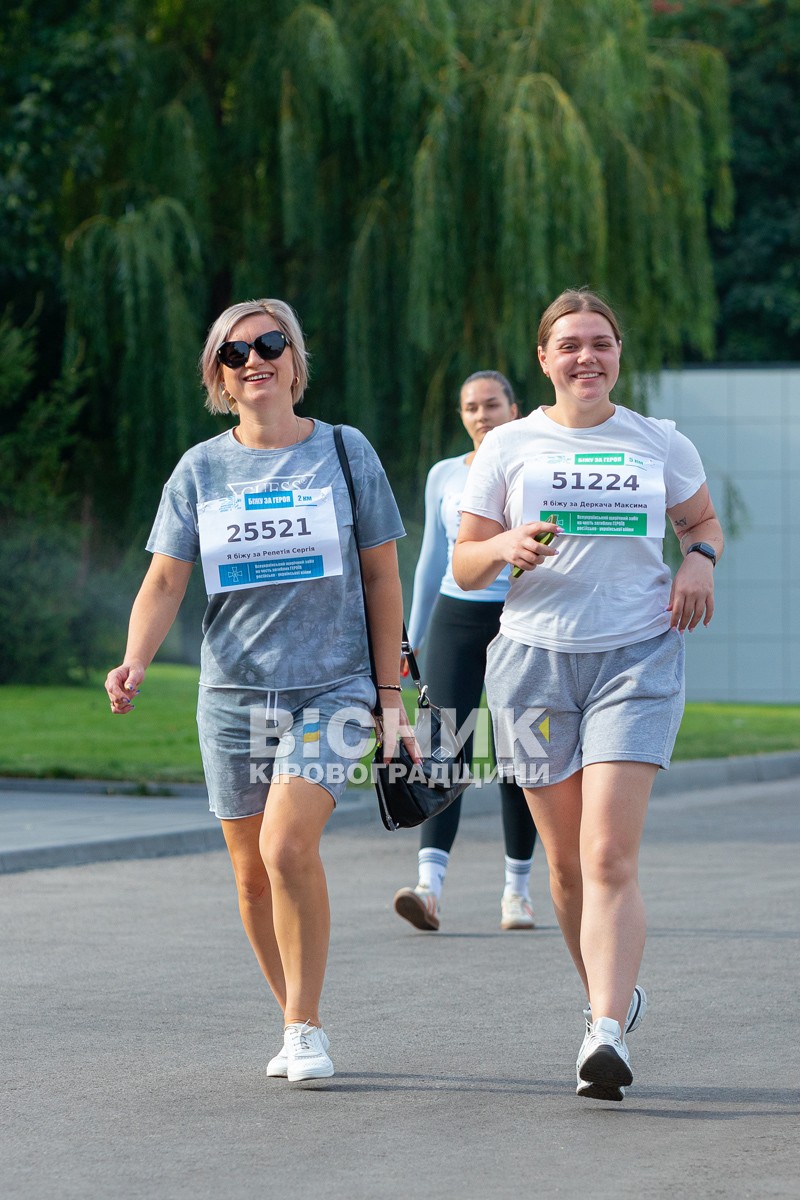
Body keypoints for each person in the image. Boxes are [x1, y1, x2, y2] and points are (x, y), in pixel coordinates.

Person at [105, 298, 416, 1083]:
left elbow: (382, 577)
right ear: (219, 373)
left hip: (334, 688)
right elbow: (166, 579)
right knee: (249, 872)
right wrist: (135, 659)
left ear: (294, 359)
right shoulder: (200, 470)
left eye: (271, 344)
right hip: (233, 694)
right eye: (236, 352)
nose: (256, 360)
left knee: (286, 846)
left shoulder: (345, 452)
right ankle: (295, 1018)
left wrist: (388, 695)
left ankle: (305, 1029)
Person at [453, 288, 723, 1101]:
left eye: (600, 343)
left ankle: (605, 1031)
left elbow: (701, 521)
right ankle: (608, 995)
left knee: (608, 855)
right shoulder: (508, 444)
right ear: (544, 357)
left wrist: (700, 560)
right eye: (569, 345)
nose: (586, 358)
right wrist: (503, 542)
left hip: (635, 659)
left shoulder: (658, 441)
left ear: (617, 353)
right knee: (566, 868)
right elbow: (464, 566)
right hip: (533, 666)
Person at [392, 371, 539, 934]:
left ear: (514, 409)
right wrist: (413, 637)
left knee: (518, 754)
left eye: (493, 405)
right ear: (463, 416)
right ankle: (428, 889)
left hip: (520, 617)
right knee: (442, 746)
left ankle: (517, 892)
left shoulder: (535, 467)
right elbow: (433, 558)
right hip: (456, 617)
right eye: (472, 407)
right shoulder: (444, 475)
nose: (482, 415)